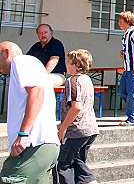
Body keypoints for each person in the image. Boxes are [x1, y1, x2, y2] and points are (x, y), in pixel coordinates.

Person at [0, 41, 60, 183]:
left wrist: (23, 134)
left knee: (10, 178)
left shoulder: (22, 61)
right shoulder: (27, 65)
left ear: (6, 52)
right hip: (41, 145)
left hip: (33, 144)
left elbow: (36, 92)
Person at [57, 49, 100, 184]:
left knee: (63, 164)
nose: (66, 65)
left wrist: (63, 128)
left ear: (77, 65)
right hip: (91, 129)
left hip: (76, 130)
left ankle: (89, 180)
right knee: (78, 161)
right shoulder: (87, 79)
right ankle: (88, 181)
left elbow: (76, 107)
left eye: (69, 62)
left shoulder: (72, 81)